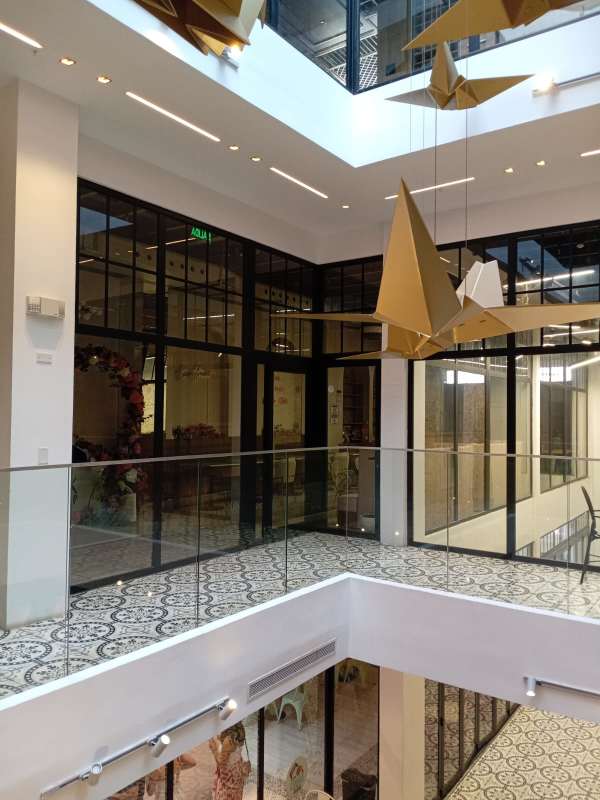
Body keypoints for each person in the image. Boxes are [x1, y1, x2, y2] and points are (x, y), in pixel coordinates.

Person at [209, 723, 251, 800]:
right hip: (237, 769)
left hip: (229, 774)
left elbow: (221, 763)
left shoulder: (229, 739)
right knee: (235, 793)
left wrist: (213, 749)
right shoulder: (239, 728)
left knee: (227, 795)